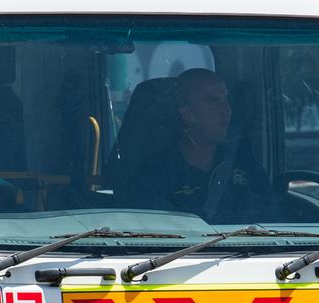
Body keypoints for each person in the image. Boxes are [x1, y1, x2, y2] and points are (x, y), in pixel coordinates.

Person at [116, 68, 271, 222]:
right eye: (215, 101)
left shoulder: (244, 162)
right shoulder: (155, 175)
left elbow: (274, 217)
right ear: (187, 113)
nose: (227, 110)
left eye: (226, 100)